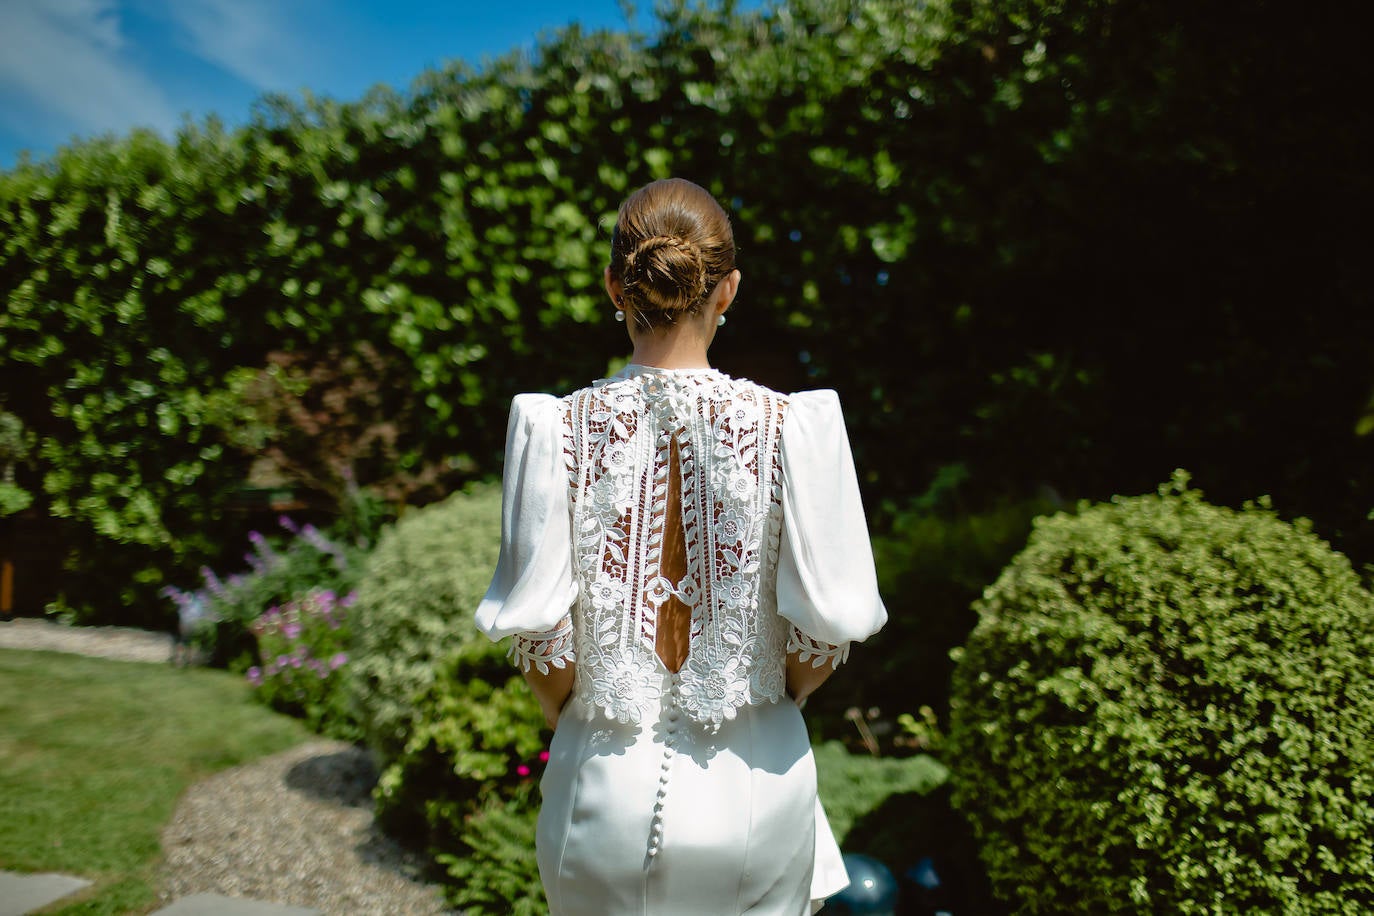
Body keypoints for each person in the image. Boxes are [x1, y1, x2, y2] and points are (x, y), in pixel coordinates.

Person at [476, 178, 887, 915]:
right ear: (726, 290)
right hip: (758, 783)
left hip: (599, 780)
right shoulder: (798, 427)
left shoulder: (553, 429)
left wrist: (575, 719)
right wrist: (767, 700)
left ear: (614, 284)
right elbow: (824, 634)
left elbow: (544, 637)